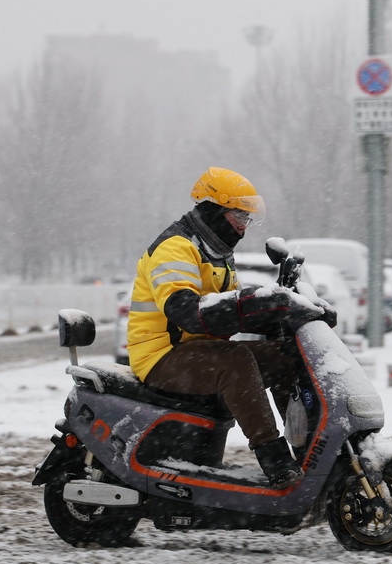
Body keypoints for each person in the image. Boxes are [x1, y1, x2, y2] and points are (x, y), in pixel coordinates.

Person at [126, 166, 323, 488]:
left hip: (200, 352)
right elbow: (187, 312)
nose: (244, 228)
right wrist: (254, 303)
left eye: (248, 220)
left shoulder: (216, 253)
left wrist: (283, 314)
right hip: (161, 356)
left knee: (288, 358)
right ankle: (274, 460)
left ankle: (308, 448)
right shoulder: (176, 247)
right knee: (236, 359)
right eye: (240, 217)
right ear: (215, 210)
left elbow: (232, 312)